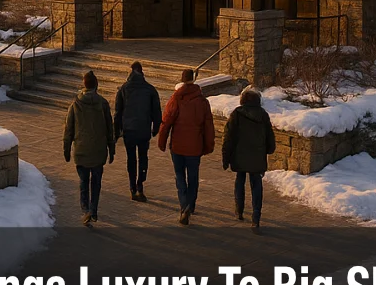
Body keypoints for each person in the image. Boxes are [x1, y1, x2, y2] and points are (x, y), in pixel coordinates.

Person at [158, 69, 215, 225]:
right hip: (195, 146)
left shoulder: (176, 98)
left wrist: (162, 141)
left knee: (180, 175)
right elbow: (208, 126)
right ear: (194, 79)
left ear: (182, 80)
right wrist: (209, 145)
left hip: (177, 145)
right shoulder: (202, 102)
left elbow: (166, 121)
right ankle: (191, 204)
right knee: (193, 177)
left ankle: (184, 205)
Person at [64, 70, 114, 226]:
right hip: (99, 151)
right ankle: (93, 210)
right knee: (96, 182)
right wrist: (112, 149)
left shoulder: (75, 104)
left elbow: (69, 129)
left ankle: (85, 209)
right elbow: (109, 129)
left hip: (81, 150)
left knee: (84, 181)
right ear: (96, 85)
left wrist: (66, 149)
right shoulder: (103, 104)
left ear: (84, 85)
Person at [222, 88, 275, 235]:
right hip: (257, 156)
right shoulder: (263, 115)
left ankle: (239, 210)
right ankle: (256, 217)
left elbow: (228, 137)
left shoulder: (237, 114)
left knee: (240, 180)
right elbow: (269, 135)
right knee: (256, 184)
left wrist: (226, 158)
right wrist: (269, 149)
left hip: (239, 155)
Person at [114, 62, 161, 202]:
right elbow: (156, 112)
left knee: (131, 159)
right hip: (143, 130)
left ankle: (132, 187)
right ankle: (140, 185)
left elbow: (118, 112)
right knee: (143, 157)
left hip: (129, 130)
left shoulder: (123, 89)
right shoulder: (150, 89)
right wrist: (155, 129)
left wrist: (116, 131)